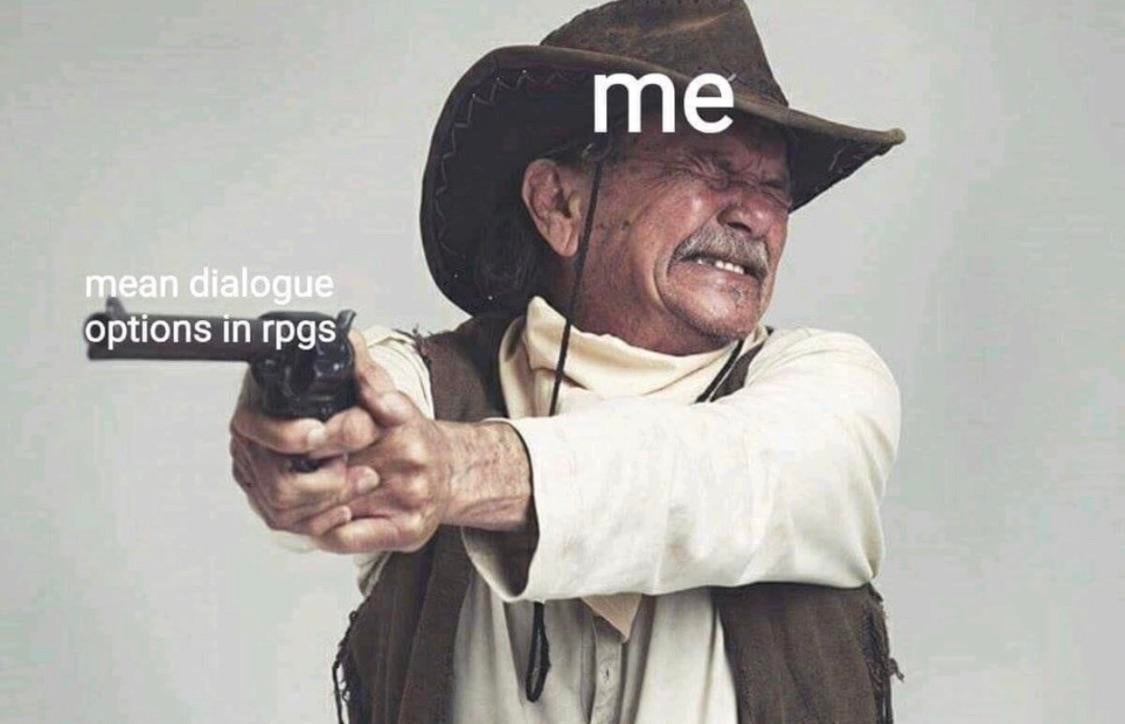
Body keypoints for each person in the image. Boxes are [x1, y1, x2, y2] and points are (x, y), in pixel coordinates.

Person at [229, 1, 906, 722]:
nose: (754, 215)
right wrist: (310, 432)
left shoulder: (832, 392)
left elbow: (725, 473)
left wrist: (459, 469)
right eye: (709, 168)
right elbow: (358, 415)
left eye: (774, 189)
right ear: (558, 204)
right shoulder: (428, 386)